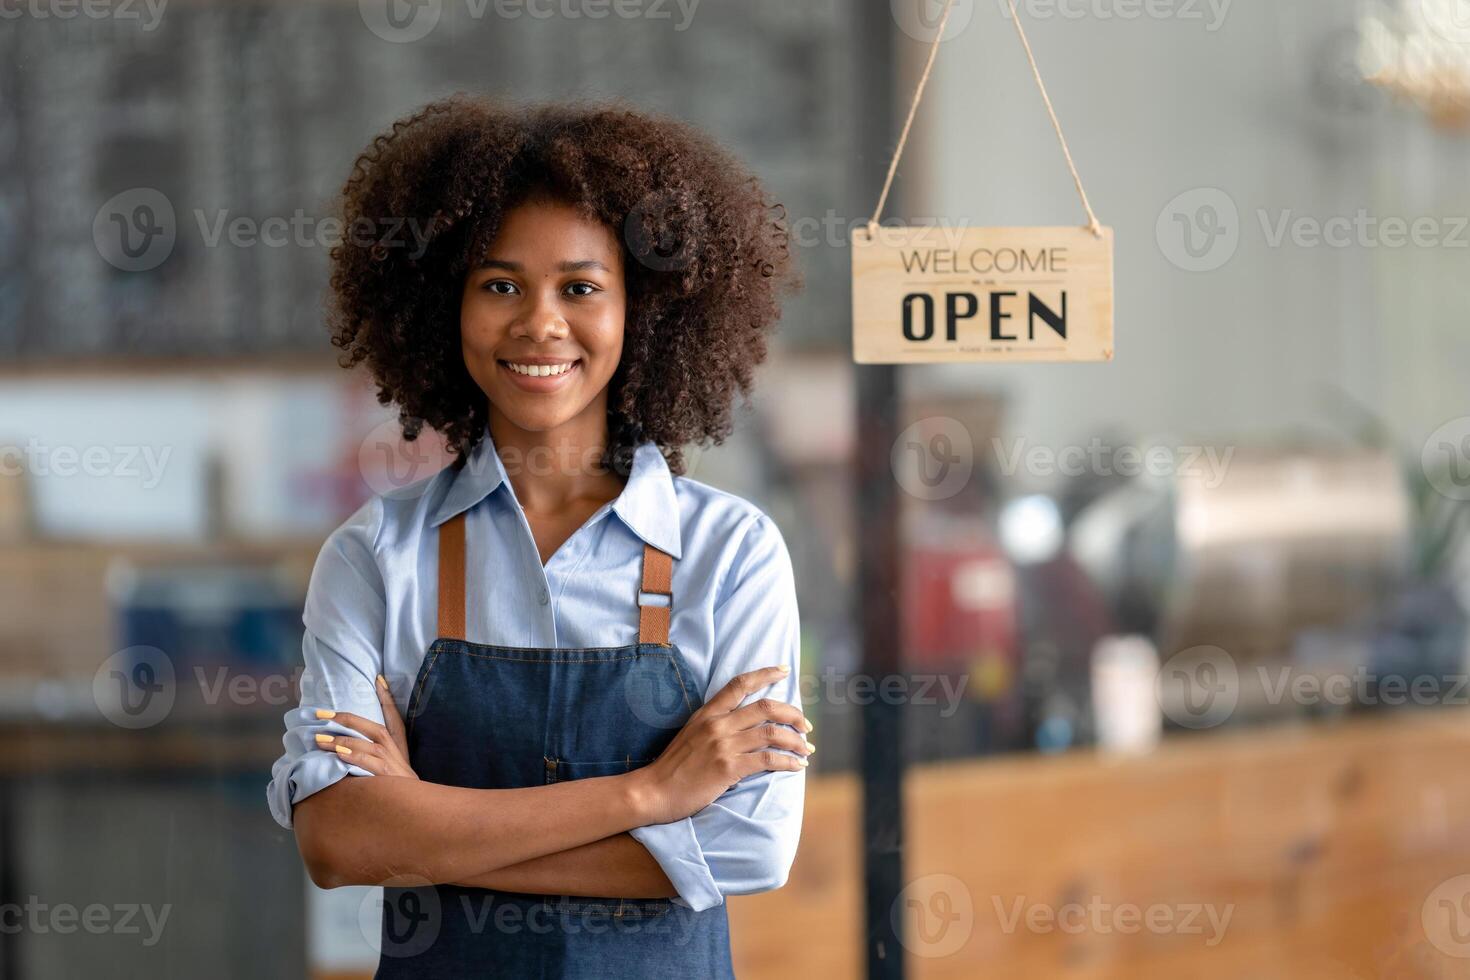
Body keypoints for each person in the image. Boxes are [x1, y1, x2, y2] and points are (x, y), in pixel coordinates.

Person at [264, 95, 810, 978]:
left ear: (649, 309)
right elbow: (336, 841)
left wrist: (427, 825)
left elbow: (751, 848)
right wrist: (650, 795)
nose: (540, 323)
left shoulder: (734, 555)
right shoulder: (374, 558)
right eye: (500, 285)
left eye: (581, 287)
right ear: (446, 304)